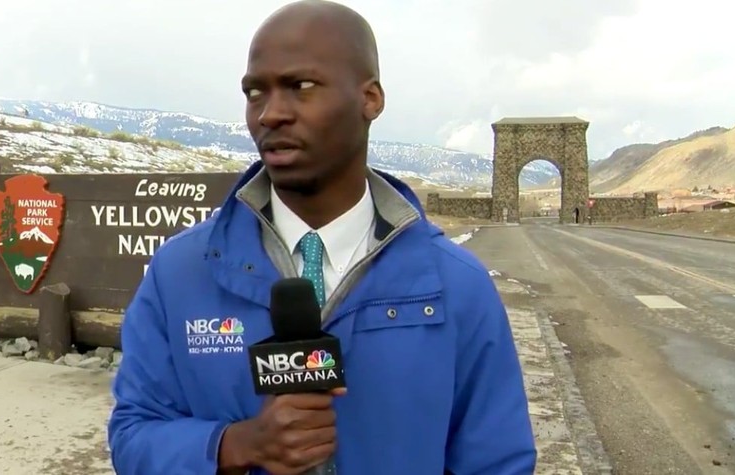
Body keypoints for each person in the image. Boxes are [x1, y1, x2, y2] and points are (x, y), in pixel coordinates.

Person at [107, 0, 537, 473]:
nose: (270, 114)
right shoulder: (180, 273)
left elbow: (497, 462)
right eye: (255, 93)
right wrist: (233, 446)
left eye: (301, 86)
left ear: (370, 98)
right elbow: (132, 437)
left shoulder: (456, 286)